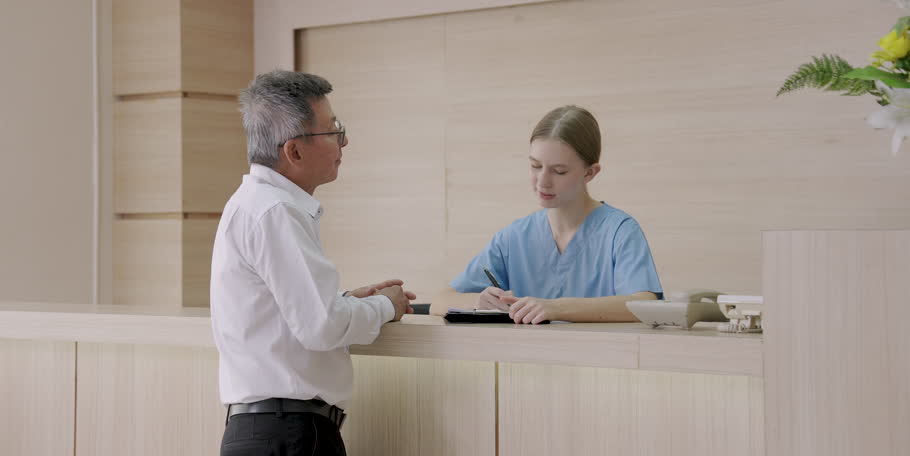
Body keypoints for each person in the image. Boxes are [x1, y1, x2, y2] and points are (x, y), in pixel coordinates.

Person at [210, 69, 416, 456]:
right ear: (294, 151)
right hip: (289, 436)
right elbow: (322, 326)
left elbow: (285, 313)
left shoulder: (252, 204)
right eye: (333, 130)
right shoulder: (275, 211)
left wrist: (345, 300)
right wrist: (387, 305)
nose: (345, 141)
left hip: (268, 432)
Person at [449, 105, 662, 324]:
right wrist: (478, 301)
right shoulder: (514, 238)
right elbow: (441, 300)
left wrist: (555, 308)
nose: (542, 182)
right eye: (535, 166)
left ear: (590, 172)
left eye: (559, 171)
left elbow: (644, 304)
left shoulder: (620, 231)